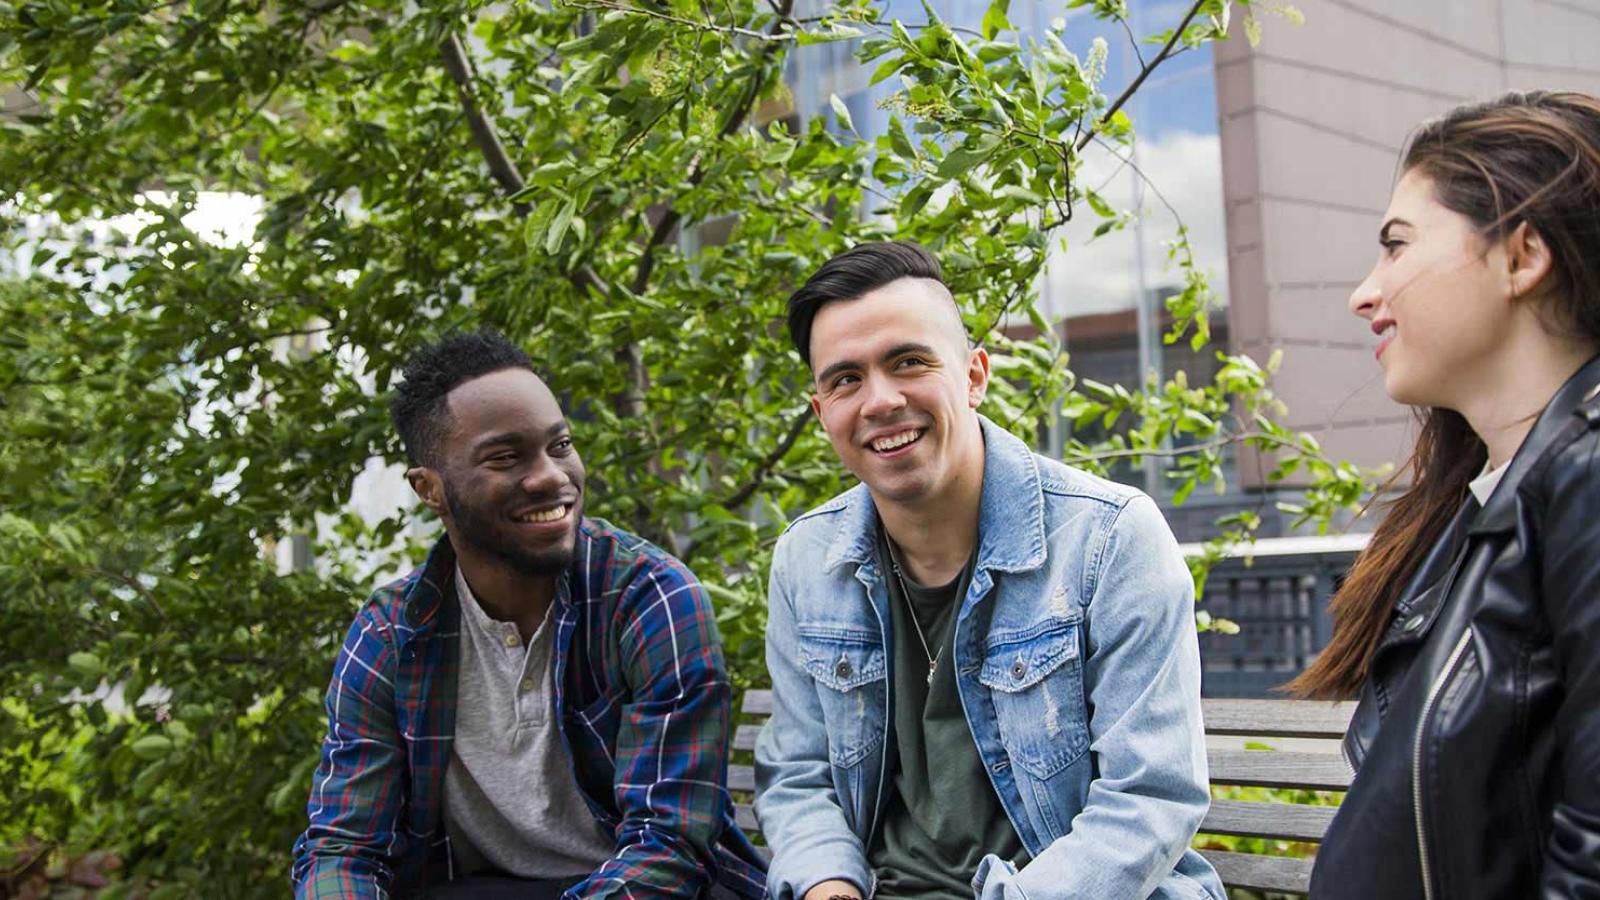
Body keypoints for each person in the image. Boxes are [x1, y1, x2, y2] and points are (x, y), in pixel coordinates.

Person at [753, 241, 1223, 900]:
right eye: (846, 379)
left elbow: (1150, 801)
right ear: (822, 412)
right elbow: (800, 776)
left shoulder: (1110, 539)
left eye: (908, 362)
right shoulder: (807, 560)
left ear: (974, 376)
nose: (880, 400)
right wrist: (828, 886)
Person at [290, 331, 765, 899]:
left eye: (559, 446)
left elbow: (670, 847)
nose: (550, 477)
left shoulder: (649, 599)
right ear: (430, 489)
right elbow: (344, 847)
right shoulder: (391, 635)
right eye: (505, 457)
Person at [1291, 91, 1600, 899]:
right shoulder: (1486, 508)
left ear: (1521, 256)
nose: (1365, 293)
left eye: (1397, 245)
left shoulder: (1586, 481)